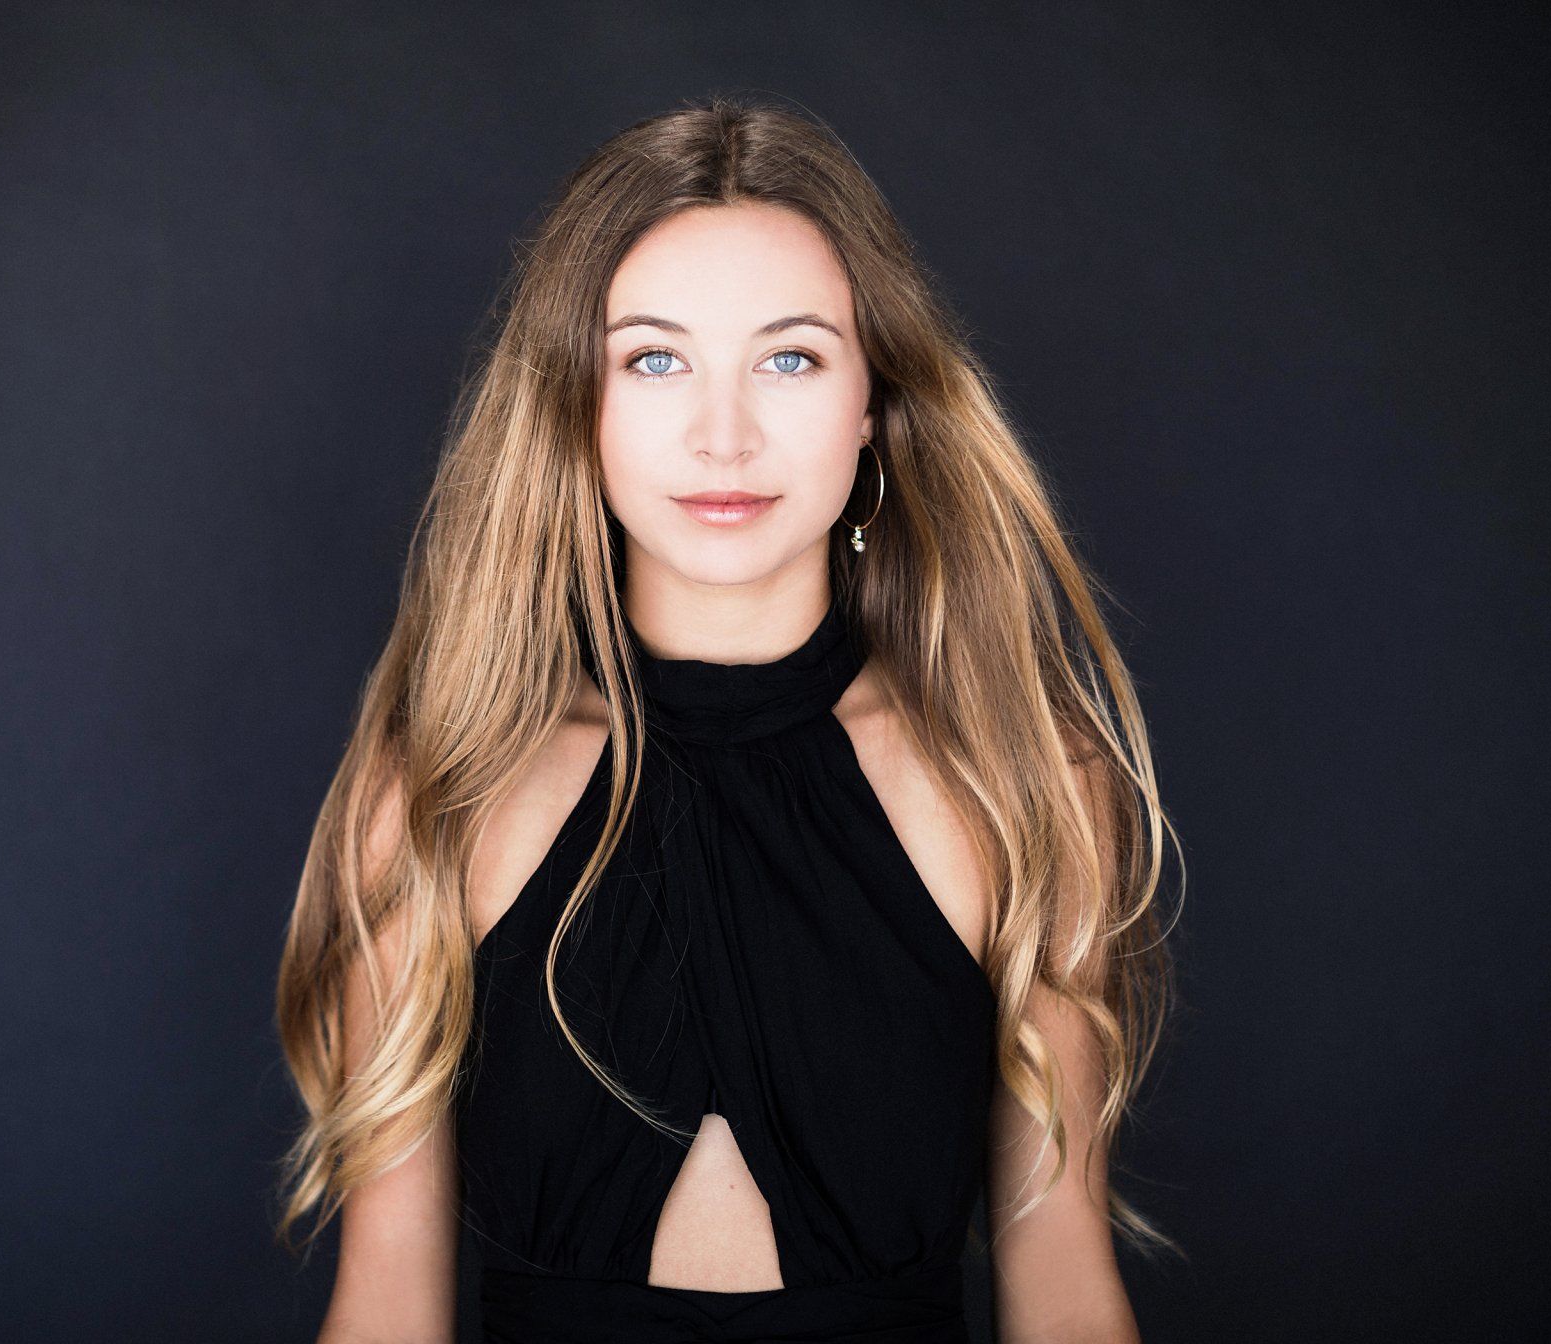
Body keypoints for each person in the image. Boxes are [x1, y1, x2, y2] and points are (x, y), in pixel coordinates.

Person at [275, 95, 1181, 1344]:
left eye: (791, 357)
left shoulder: (1024, 781)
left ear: (874, 402)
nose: (723, 435)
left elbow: (1067, 1295)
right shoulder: (440, 791)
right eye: (654, 359)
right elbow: (386, 1311)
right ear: (572, 406)